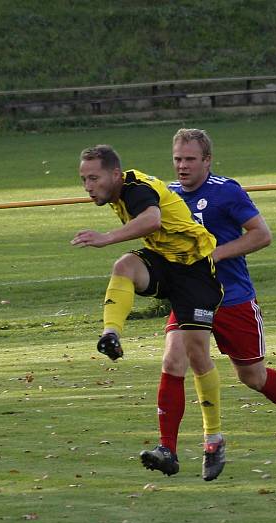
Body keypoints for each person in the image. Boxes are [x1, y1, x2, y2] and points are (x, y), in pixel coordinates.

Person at [138, 128, 276, 481]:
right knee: (173, 360)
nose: (182, 166)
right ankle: (168, 448)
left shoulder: (226, 192)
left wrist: (212, 255)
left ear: (207, 160)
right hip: (190, 299)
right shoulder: (166, 197)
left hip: (232, 298)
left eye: (190, 159)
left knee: (252, 376)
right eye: (177, 159)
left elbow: (262, 235)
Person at [72, 144, 227, 480]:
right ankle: (111, 335)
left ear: (114, 174)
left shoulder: (134, 189)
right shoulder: (117, 194)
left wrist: (107, 237)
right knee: (126, 266)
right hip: (165, 262)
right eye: (84, 179)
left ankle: (213, 439)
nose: (88, 186)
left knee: (197, 357)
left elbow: (152, 219)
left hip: (195, 271)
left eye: (93, 178)